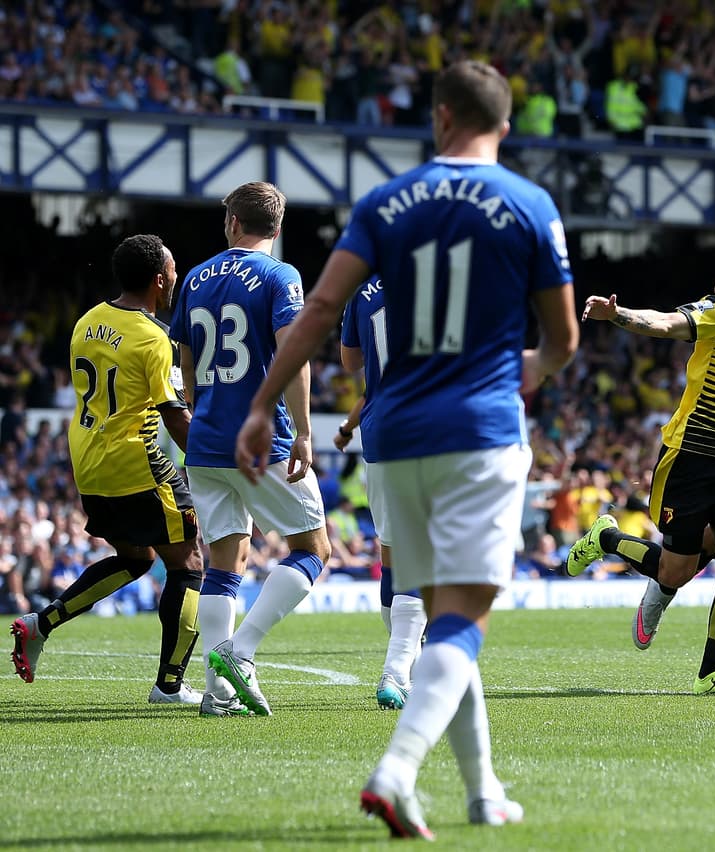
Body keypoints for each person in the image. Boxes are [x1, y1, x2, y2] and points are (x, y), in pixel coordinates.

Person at [234, 60, 578, 840]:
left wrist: (264, 404)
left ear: (441, 117)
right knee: (463, 622)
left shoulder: (386, 201)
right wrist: (535, 368)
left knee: (441, 613)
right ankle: (394, 772)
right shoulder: (528, 202)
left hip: (395, 438)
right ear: (504, 124)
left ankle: (483, 790)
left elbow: (322, 308)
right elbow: (561, 338)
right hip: (480, 432)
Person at [569, 226, 715, 696]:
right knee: (675, 571)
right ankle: (607, 537)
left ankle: (711, 672)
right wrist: (619, 316)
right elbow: (668, 322)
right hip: (689, 456)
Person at [9, 234, 204, 705]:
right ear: (160, 279)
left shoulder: (87, 322)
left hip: (91, 464)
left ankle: (39, 625)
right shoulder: (153, 337)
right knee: (190, 563)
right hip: (137, 462)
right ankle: (170, 686)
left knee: (137, 559)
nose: (176, 275)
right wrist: (211, 464)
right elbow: (174, 414)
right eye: (174, 268)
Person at [169, 181, 333, 717]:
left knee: (227, 560)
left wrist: (201, 415)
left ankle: (218, 693)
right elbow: (295, 353)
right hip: (263, 439)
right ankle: (239, 654)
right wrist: (304, 430)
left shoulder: (194, 276)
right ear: (277, 228)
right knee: (313, 550)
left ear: (233, 223)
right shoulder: (280, 276)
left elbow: (187, 364)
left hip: (207, 440)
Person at [332, 274, 428, 711]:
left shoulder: (364, 290)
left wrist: (350, 424)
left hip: (379, 434)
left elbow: (354, 363)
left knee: (392, 551)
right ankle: (396, 670)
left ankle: (407, 661)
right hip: (428, 429)